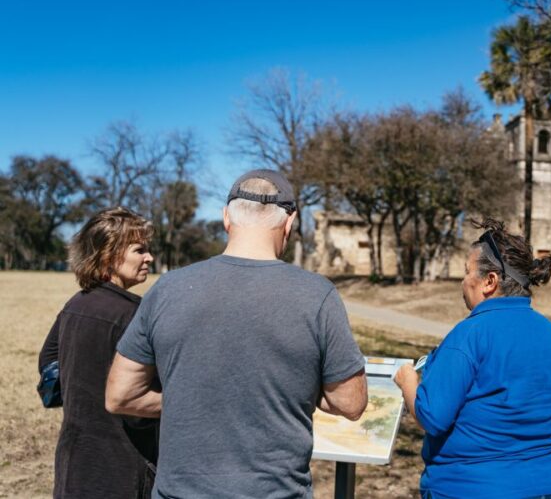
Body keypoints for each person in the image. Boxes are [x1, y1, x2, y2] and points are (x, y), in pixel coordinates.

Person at [105, 169, 368, 498]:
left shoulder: (167, 289)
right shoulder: (317, 295)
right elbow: (352, 402)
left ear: (226, 218)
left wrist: (192, 398)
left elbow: (120, 395)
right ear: (290, 222)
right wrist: (297, 389)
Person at [394, 218, 551, 499]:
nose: (463, 282)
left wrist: (408, 382)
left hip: (472, 488)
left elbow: (432, 416)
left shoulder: (468, 335)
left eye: (467, 272)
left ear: (489, 282)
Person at [38, 207, 159, 499]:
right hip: (124, 469)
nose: (149, 258)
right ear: (108, 255)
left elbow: (48, 366)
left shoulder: (75, 304)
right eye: (139, 250)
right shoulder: (134, 315)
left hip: (74, 463)